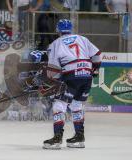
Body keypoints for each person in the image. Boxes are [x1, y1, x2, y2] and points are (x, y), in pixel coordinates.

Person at [43, 19, 101, 149]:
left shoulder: (54, 44)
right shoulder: (82, 38)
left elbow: (53, 69)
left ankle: (57, 138)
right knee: (77, 104)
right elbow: (97, 54)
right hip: (86, 75)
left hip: (71, 74)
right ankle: (79, 137)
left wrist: (53, 82)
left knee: (59, 103)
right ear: (70, 29)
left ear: (58, 30)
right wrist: (95, 70)